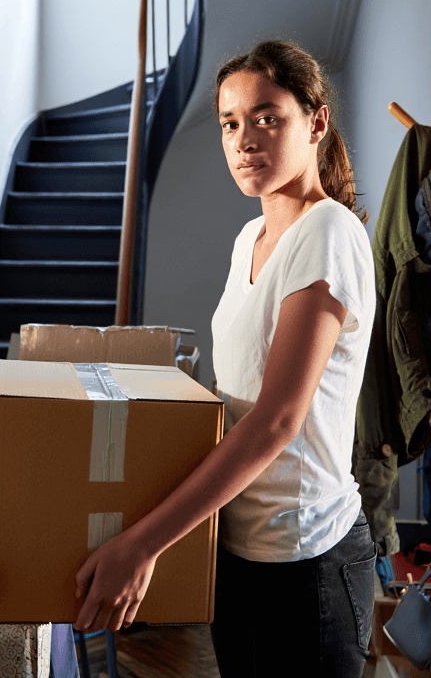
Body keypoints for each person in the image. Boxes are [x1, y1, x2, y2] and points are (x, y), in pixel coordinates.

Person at [74, 40, 377, 677]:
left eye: (268, 118)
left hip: (307, 563)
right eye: (230, 123)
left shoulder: (328, 233)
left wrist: (143, 543)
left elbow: (275, 421)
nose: (244, 140)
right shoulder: (251, 239)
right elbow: (232, 391)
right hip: (237, 550)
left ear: (316, 123)